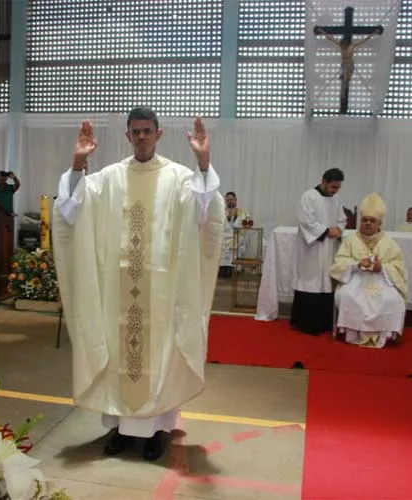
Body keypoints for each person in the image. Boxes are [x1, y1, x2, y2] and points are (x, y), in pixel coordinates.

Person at [52, 107, 223, 462]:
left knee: (158, 357)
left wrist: (204, 163)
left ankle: (157, 430)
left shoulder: (178, 177)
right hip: (117, 292)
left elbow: (206, 211)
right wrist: (78, 163)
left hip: (162, 295)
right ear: (127, 136)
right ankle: (118, 428)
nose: (142, 137)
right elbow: (70, 207)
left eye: (148, 131)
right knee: (119, 357)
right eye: (136, 131)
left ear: (159, 135)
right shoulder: (108, 179)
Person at [329, 193, 407, 348]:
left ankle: (384, 335)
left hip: (382, 281)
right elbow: (339, 263)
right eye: (365, 220)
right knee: (348, 296)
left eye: (372, 221)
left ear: (379, 224)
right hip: (355, 280)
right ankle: (352, 334)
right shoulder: (350, 240)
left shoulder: (389, 243)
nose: (368, 223)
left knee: (392, 300)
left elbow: (399, 266)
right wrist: (357, 264)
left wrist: (382, 268)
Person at [290, 168, 347, 334]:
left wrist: (339, 229)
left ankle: (324, 323)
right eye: (333, 187)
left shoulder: (336, 200)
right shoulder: (309, 197)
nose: (335, 190)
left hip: (329, 249)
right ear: (324, 181)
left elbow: (342, 219)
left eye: (338, 187)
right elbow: (305, 221)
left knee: (326, 283)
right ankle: (305, 324)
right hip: (312, 249)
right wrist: (327, 231)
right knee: (310, 282)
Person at [219, 191, 248, 278]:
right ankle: (222, 268)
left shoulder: (242, 213)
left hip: (236, 240)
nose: (230, 201)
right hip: (224, 240)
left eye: (231, 199)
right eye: (227, 200)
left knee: (235, 245)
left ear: (235, 200)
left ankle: (232, 268)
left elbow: (244, 230)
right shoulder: (221, 213)